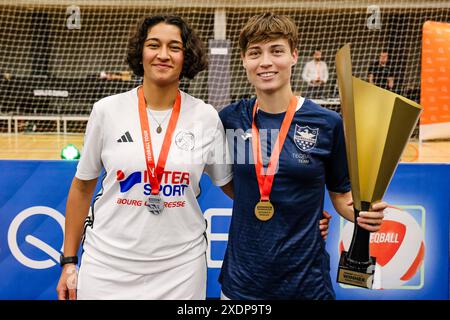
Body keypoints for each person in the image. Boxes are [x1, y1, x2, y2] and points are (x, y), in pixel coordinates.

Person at [56, 14, 234, 300]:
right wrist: (68, 261)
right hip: (107, 265)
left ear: (185, 57)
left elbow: (234, 187)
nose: (163, 55)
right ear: (140, 52)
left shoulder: (206, 117)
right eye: (154, 45)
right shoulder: (106, 111)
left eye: (174, 47)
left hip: (181, 269)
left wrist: (297, 206)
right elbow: (82, 187)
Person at [218, 12, 387, 300]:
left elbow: (342, 198)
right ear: (244, 60)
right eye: (255, 53)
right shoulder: (230, 119)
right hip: (242, 284)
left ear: (294, 56)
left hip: (306, 283)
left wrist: (363, 214)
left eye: (277, 51)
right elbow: (229, 182)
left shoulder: (327, 123)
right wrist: (284, 205)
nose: (266, 62)